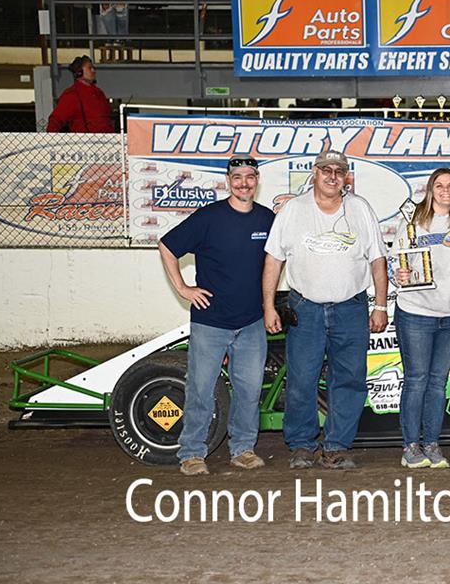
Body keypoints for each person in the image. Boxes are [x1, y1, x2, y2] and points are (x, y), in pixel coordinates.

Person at [262, 150, 389, 470]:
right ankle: (302, 445)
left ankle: (336, 446)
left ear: (346, 176)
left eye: (339, 171)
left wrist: (381, 304)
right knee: (301, 378)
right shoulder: (294, 210)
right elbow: (273, 260)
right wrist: (268, 306)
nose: (333, 176)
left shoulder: (360, 209)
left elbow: (377, 259)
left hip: (351, 308)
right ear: (314, 173)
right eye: (326, 170)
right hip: (305, 308)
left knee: (350, 379)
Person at [158, 156, 276, 476]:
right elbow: (167, 246)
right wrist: (183, 288)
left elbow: (276, 261)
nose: (243, 183)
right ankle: (192, 453)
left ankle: (243, 449)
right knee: (201, 390)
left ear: (257, 180)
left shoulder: (267, 219)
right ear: (228, 181)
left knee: (249, 391)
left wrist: (268, 307)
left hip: (251, 322)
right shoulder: (208, 217)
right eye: (237, 177)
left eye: (249, 177)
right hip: (210, 322)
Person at [391, 168, 450, 469]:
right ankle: (411, 446)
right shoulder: (413, 221)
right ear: (430, 189)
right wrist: (399, 274)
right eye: (439, 185)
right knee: (417, 380)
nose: (445, 191)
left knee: (437, 382)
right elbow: (397, 260)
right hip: (416, 312)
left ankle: (432, 444)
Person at [47, 56, 113, 133]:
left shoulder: (99, 93)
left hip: (105, 137)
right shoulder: (72, 95)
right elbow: (56, 120)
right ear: (79, 72)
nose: (93, 71)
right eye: (89, 68)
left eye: (93, 68)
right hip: (86, 138)